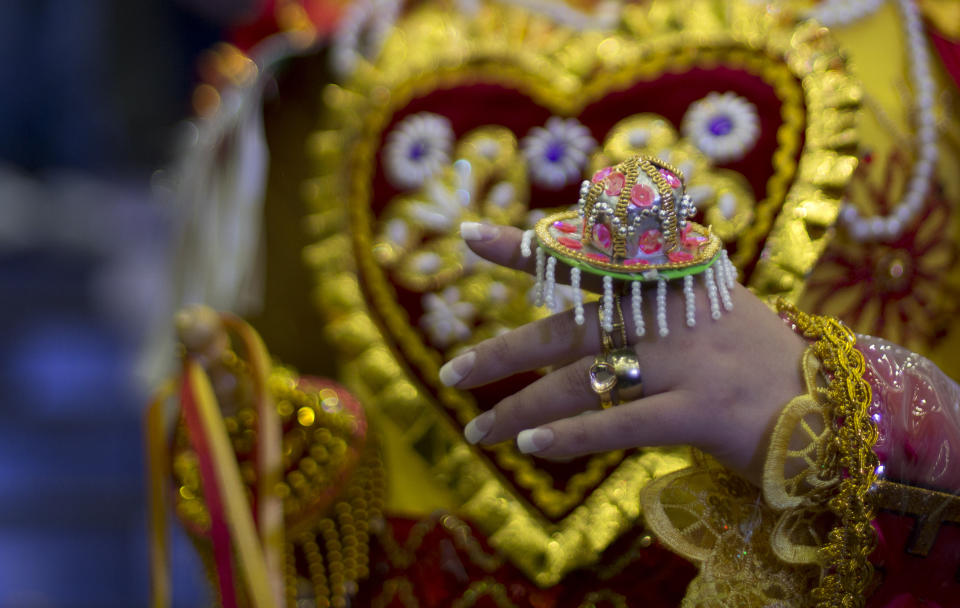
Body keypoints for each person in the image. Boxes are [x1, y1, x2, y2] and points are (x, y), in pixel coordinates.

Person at [152, 0, 960, 606]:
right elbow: (272, 492)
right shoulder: (322, 58)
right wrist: (282, 442)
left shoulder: (925, 54)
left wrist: (846, 411)